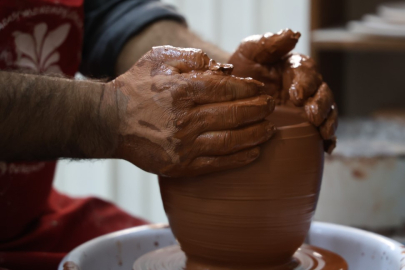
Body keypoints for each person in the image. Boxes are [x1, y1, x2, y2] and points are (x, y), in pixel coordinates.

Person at [0, 0, 337, 269]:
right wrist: (107, 113)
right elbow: (108, 111)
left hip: (29, 223)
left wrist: (226, 80)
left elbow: (109, 16)